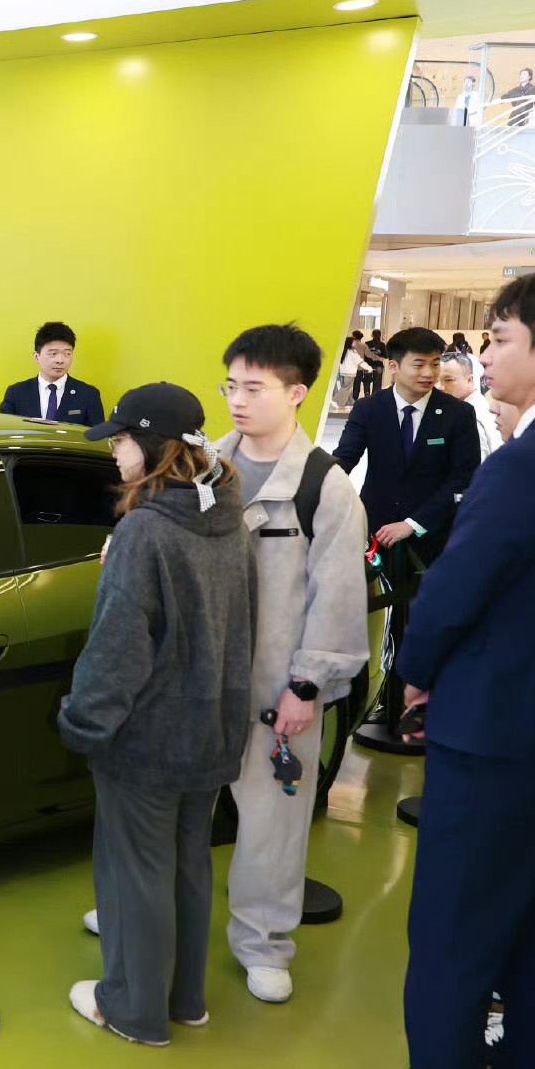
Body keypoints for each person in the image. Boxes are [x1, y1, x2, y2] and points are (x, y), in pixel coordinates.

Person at [300, 270, 535, 1069]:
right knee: (534, 931)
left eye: (499, 338)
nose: (483, 355)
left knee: (450, 940)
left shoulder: (530, 460)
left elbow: (457, 589)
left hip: (495, 736)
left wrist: (416, 674)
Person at [60, 382, 254, 1047]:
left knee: (134, 870)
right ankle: (184, 999)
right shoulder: (229, 518)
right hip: (212, 728)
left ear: (152, 445)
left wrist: (84, 720)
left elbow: (119, 645)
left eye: (120, 440)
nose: (114, 453)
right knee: (187, 863)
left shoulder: (143, 530)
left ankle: (133, 1009)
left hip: (146, 734)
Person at [209, 325, 369, 1004]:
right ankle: (146, 907)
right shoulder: (204, 467)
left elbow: (338, 597)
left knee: (273, 826)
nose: (237, 400)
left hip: (275, 690)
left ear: (297, 392)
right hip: (197, 681)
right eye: (230, 385)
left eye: (254, 388)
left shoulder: (325, 488)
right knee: (172, 806)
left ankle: (264, 942)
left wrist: (307, 686)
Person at [330, 326, 481, 563]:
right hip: (377, 531)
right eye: (418, 365)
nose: (429, 373)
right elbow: (344, 459)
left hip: (434, 534)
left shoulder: (458, 413)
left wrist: (413, 523)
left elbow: (464, 477)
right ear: (393, 367)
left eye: (435, 364)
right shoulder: (369, 409)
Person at [0, 321, 105, 425]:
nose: (60, 360)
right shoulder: (16, 393)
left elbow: (98, 434)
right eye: (53, 354)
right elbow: (5, 431)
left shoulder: (88, 394)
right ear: (37, 357)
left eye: (67, 354)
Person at [435, 350, 500, 460]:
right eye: (436, 380)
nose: (439, 387)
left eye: (448, 380)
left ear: (469, 380)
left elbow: (475, 465)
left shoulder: (469, 417)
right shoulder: (476, 404)